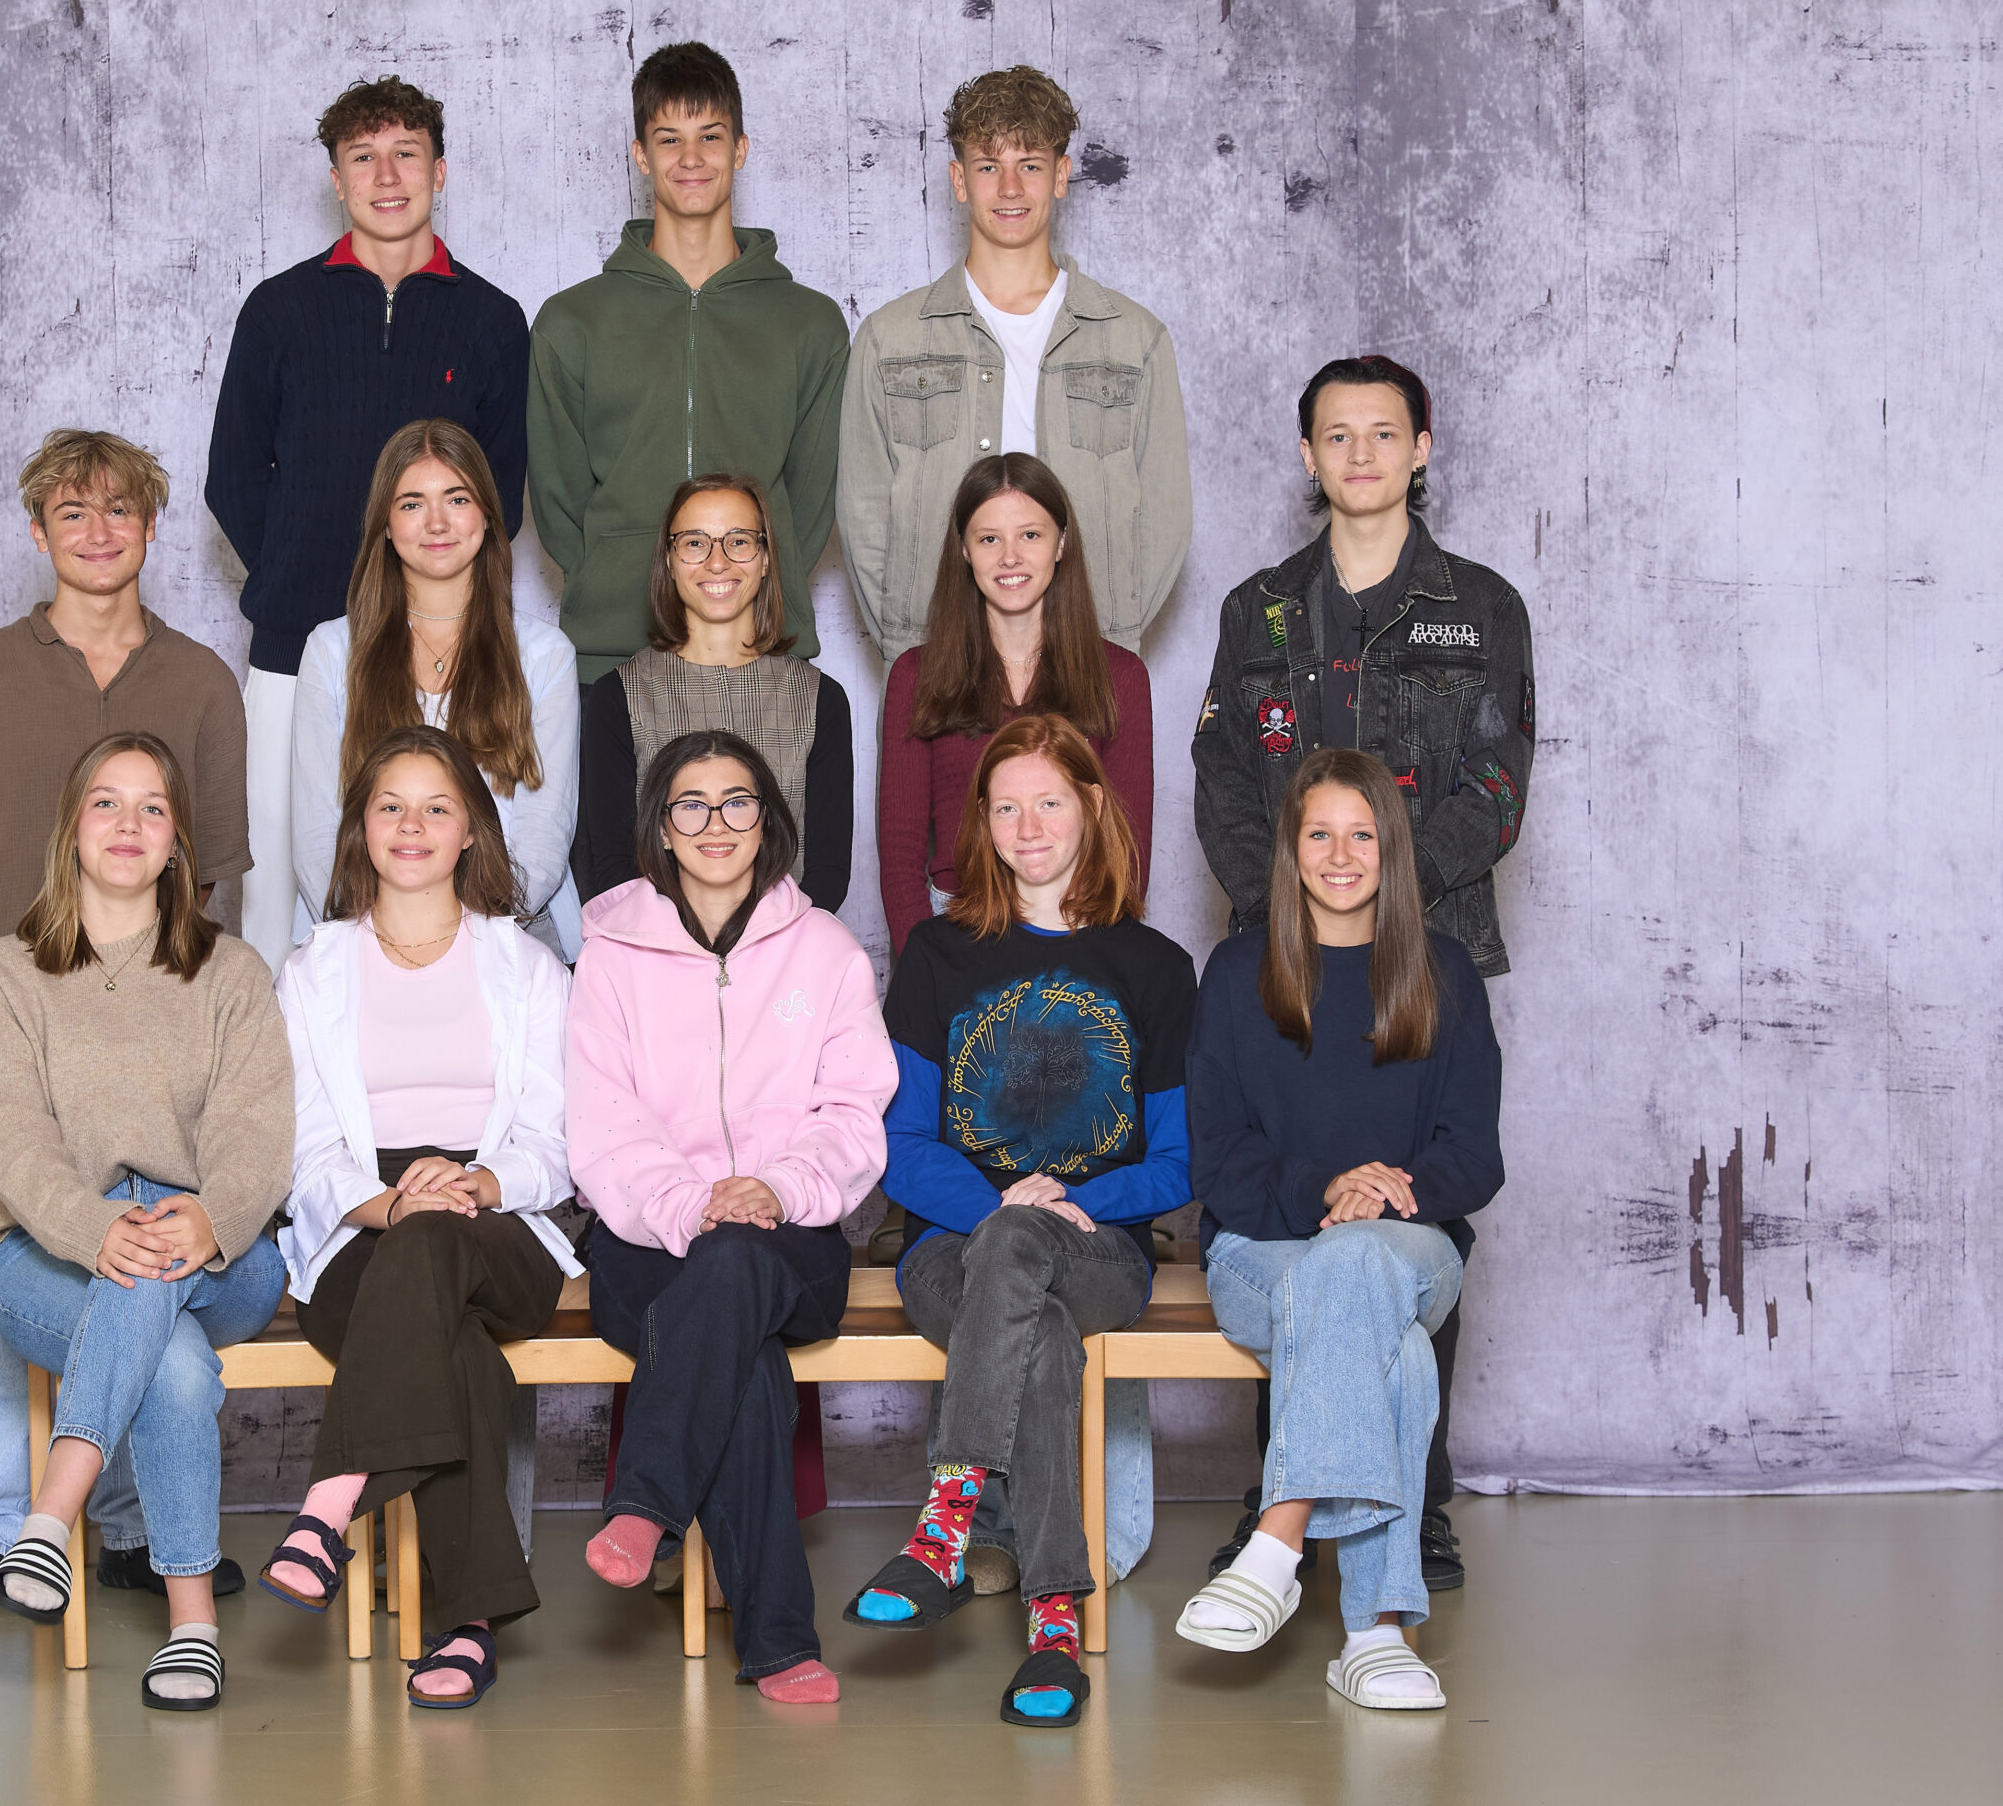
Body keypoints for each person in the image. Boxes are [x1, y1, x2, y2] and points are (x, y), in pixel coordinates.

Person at [1190, 354, 1533, 1591]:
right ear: (1308, 456)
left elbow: (1495, 785)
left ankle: (1416, 1503)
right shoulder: (1260, 610)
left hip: (1421, 951)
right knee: (1288, 1208)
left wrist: (1378, 898)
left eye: (1383, 433)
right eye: (1336, 435)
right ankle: (1283, 1483)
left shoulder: (1478, 607)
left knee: (1410, 1204)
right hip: (1282, 963)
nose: (1361, 455)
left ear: (1421, 447)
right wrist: (1294, 902)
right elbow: (1227, 780)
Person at [0, 429, 252, 1614]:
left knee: (145, 1255)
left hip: (156, 1054)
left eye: (119, 511)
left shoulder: (200, 682)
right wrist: (20, 980)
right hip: (10, 1039)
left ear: (151, 528)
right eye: (72, 511)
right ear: (38, 530)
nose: (97, 531)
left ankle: (128, 1527)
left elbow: (207, 872)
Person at [847, 715, 1193, 1727]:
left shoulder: (1156, 967)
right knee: (1033, 1324)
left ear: (1093, 806)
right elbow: (899, 1143)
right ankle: (1053, 1625)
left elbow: (1180, 1161)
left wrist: (1073, 1201)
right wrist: (998, 1203)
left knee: (1028, 1255)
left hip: (1099, 1250)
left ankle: (944, 1527)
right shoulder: (938, 954)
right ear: (981, 823)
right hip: (947, 1251)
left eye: (1049, 801)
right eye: (1006, 807)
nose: (1028, 826)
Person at [0, 735, 294, 1712]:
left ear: (178, 840)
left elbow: (258, 1131)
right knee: (172, 1359)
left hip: (220, 1255)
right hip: (48, 1256)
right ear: (72, 827)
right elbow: (17, 1147)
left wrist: (212, 1219)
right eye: (106, 802)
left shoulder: (231, 973)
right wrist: (97, 1227)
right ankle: (193, 1627)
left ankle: (50, 1517)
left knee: (153, 1277)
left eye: (153, 807)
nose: (128, 824)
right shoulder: (3, 976)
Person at [565, 732, 896, 1703]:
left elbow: (853, 1111)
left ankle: (645, 1502)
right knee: (740, 1349)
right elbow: (600, 1119)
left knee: (741, 1269)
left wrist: (777, 1188)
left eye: (737, 801)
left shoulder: (826, 951)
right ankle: (780, 1643)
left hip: (794, 1231)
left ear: (767, 819)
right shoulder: (609, 955)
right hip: (646, 1237)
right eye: (691, 805)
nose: (716, 824)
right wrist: (692, 1205)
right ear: (661, 828)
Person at [258, 727, 581, 1708]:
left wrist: (476, 1183)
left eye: (437, 806)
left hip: (502, 1217)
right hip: (358, 1221)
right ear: (360, 826)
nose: (412, 825)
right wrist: (390, 1201)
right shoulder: (312, 970)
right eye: (389, 805)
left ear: (470, 829)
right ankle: (468, 1625)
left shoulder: (527, 966)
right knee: (457, 1352)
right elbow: (302, 1147)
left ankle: (331, 1498)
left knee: (438, 1238)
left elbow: (556, 1142)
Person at [1177, 748, 1502, 1711]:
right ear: (1290, 847)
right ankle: (1377, 1633)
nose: (1341, 853)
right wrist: (1329, 1190)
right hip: (1261, 1251)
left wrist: (1385, 1196)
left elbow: (1474, 1159)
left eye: (1362, 833)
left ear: (1391, 847)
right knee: (1395, 1347)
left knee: (1360, 1259)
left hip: (1410, 1249)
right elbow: (1216, 1160)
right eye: (1319, 833)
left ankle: (1275, 1541)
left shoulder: (1445, 973)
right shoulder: (1235, 974)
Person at [205, 75, 531, 971]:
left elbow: (499, 496)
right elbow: (233, 479)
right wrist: (301, 576)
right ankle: (283, 1065)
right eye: (363, 158)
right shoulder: (278, 312)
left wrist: (416, 601)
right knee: (277, 890)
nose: (387, 177)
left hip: (441, 655)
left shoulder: (493, 321)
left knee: (440, 877)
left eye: (406, 155)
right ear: (338, 181)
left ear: (440, 171)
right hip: (292, 647)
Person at [838, 64, 1192, 662]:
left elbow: (1164, 517)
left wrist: (1105, 643)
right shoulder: (888, 340)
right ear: (959, 180)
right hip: (937, 660)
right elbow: (863, 517)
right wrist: (915, 648)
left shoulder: (1134, 341)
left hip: (1088, 660)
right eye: (987, 166)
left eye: (1029, 165)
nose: (1009, 189)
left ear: (1061, 176)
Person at [528, 42, 850, 683]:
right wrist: (617, 567)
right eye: (669, 140)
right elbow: (558, 501)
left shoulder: (809, 323)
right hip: (613, 653)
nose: (692, 158)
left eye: (711, 136)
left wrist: (753, 575)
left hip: (762, 651)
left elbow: (812, 501)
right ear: (640, 156)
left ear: (741, 148)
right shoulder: (572, 321)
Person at [290, 419, 580, 954]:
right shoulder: (331, 652)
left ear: (488, 514)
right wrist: (389, 941)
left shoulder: (545, 655)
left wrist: (460, 943)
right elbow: (316, 836)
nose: (438, 522)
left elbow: (545, 833)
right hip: (361, 932)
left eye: (457, 498)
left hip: (510, 929)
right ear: (384, 524)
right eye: (412, 503)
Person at [879, 453, 1154, 950]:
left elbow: (1128, 852)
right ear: (964, 550)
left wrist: (1097, 963)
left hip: (1080, 925)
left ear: (1061, 543)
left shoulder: (1121, 676)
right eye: (989, 539)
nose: (1010, 557)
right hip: (955, 925)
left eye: (1030, 535)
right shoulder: (916, 676)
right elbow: (900, 856)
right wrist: (925, 967)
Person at [576, 472, 852, 912]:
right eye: (694, 543)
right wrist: (681, 943)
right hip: (658, 944)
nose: (717, 562)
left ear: (766, 559)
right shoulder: (618, 696)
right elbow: (612, 868)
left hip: (787, 941)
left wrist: (764, 940)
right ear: (669, 561)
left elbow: (828, 872)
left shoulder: (821, 699)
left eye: (739, 541)